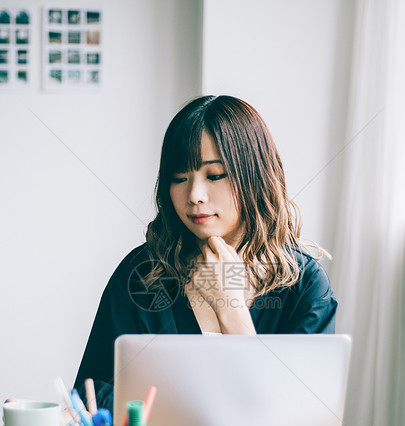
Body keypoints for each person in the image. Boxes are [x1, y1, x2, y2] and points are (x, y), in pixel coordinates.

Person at [74, 95, 337, 410]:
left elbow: (301, 414)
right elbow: (92, 396)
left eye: (215, 176)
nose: (195, 195)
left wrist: (232, 311)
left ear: (255, 176)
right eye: (179, 178)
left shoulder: (305, 284)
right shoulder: (141, 274)